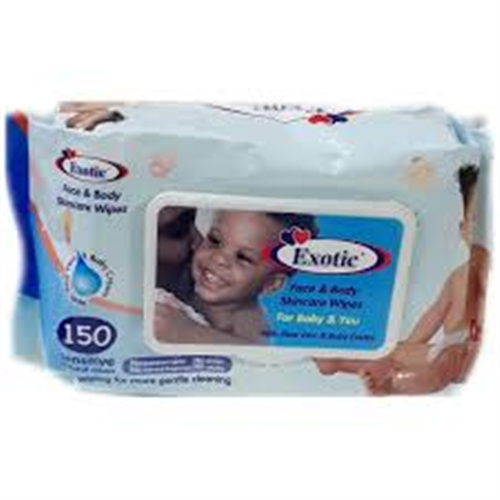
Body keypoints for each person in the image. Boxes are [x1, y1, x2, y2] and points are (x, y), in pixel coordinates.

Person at [315, 164, 489, 394]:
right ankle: (339, 361)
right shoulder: (458, 275)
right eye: (478, 223)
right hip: (447, 348)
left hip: (470, 354)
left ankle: (394, 385)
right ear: (463, 228)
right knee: (395, 352)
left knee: (439, 368)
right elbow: (433, 315)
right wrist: (408, 348)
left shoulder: (484, 271)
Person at [155, 209, 318, 345]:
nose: (219, 258)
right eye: (215, 240)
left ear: (271, 284)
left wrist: (185, 332)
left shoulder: (247, 324)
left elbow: (256, 355)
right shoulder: (187, 268)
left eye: (243, 257)